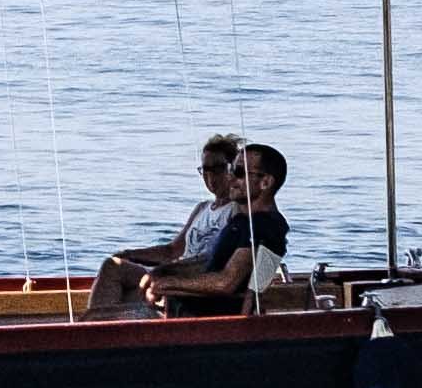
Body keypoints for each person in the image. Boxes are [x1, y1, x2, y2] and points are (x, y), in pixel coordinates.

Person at [90, 133, 250, 316]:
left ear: (232, 170)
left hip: (192, 280)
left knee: (121, 281)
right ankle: (104, 326)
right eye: (205, 170)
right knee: (114, 265)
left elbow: (218, 261)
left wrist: (165, 272)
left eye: (217, 169)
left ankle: (97, 326)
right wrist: (130, 254)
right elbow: (173, 251)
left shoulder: (238, 211)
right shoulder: (202, 208)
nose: (210, 176)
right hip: (174, 273)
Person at [143, 145, 294, 314]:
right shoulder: (244, 221)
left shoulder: (263, 226)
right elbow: (215, 264)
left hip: (206, 322)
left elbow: (226, 283)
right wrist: (165, 271)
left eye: (239, 172)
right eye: (230, 170)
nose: (230, 178)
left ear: (265, 182)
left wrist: (165, 284)